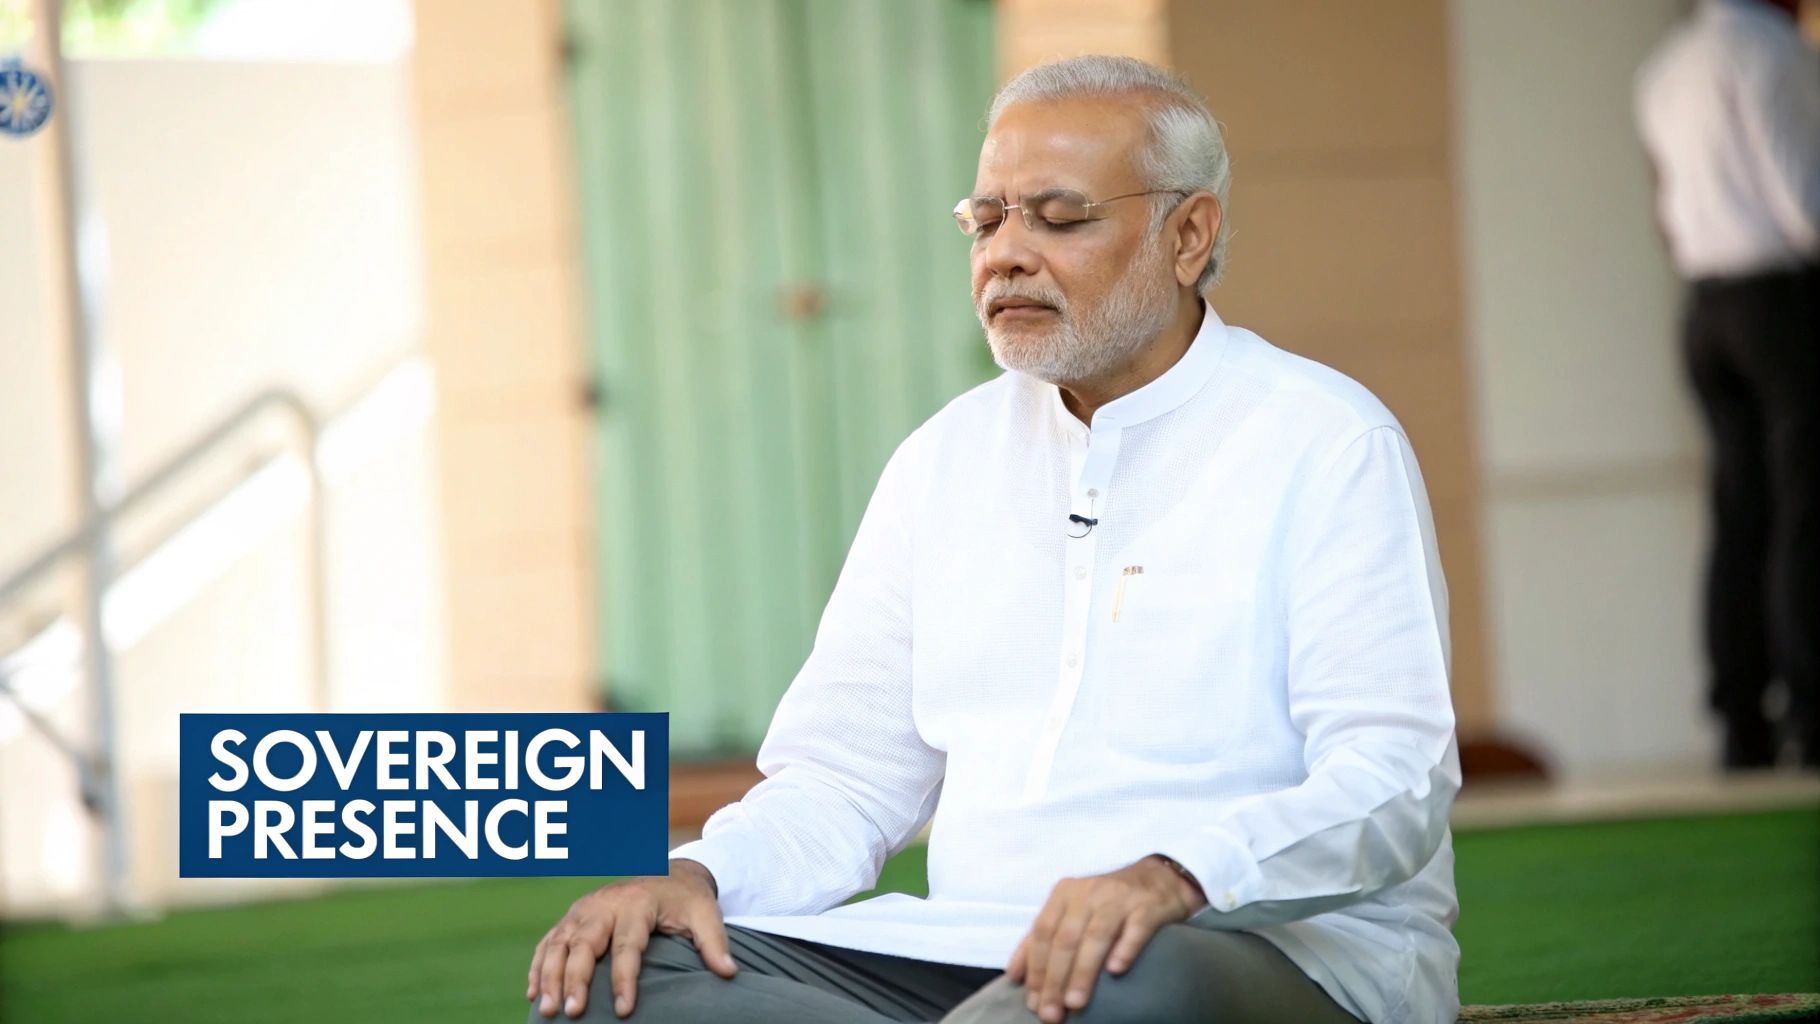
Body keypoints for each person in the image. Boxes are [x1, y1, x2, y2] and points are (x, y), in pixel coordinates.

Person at [527, 54, 1461, 1024]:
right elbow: (845, 777)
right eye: (984, 220)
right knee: (616, 978)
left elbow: (1391, 777)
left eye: (1057, 218)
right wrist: (699, 873)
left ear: (1187, 234)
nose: (1005, 254)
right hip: (970, 959)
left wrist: (1169, 876)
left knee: (1126, 985)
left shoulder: (1322, 441)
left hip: (1237, 954)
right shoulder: (943, 459)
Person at [1635, 0, 1820, 770]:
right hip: (1779, 302)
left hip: (1705, 308)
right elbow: (1804, 198)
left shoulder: (1666, 65)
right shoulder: (1774, 51)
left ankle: (1740, 722)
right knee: (1807, 511)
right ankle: (1812, 714)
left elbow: (1667, 207)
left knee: (1739, 513)